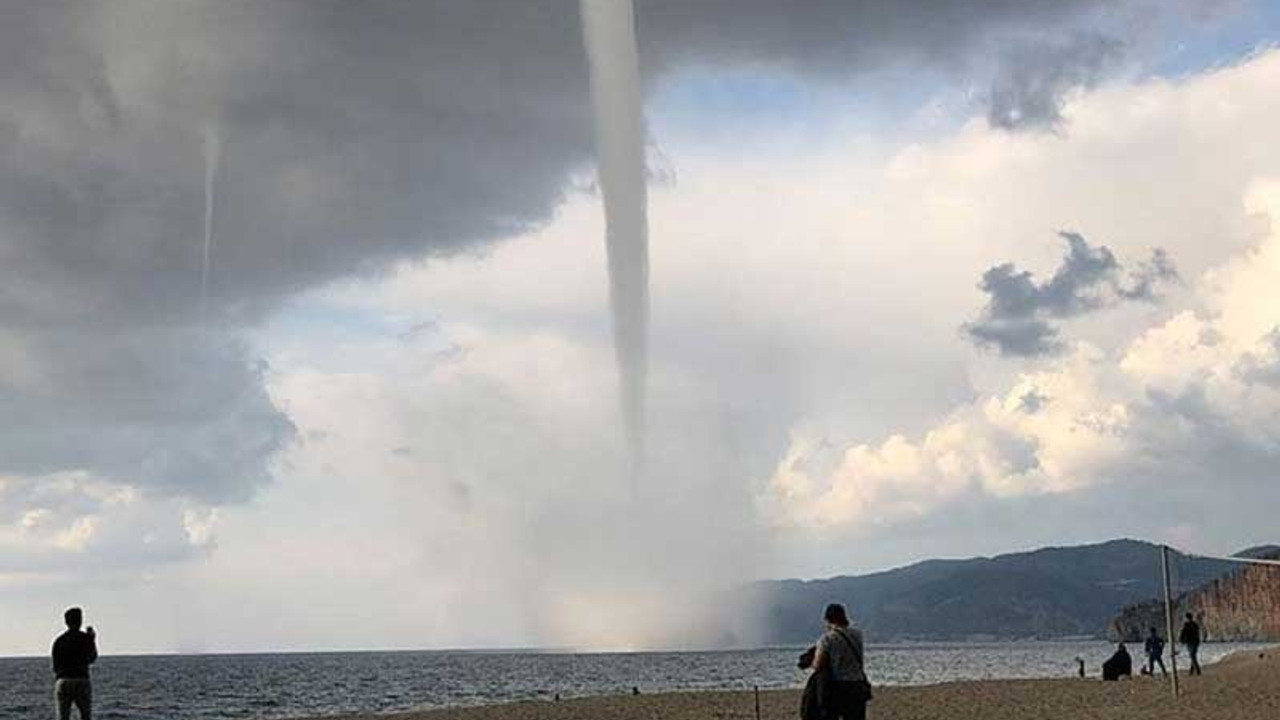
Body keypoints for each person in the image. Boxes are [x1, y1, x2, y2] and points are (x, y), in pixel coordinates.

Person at [809, 603, 871, 720]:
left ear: (828, 619)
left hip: (839, 687)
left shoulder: (827, 639)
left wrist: (812, 661)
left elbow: (818, 665)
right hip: (858, 685)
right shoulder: (858, 635)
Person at [52, 607, 98, 720]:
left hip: (63, 680)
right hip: (81, 679)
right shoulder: (85, 638)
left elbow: (55, 666)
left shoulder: (59, 641)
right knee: (85, 716)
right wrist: (92, 639)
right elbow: (92, 658)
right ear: (80, 621)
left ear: (66, 621)